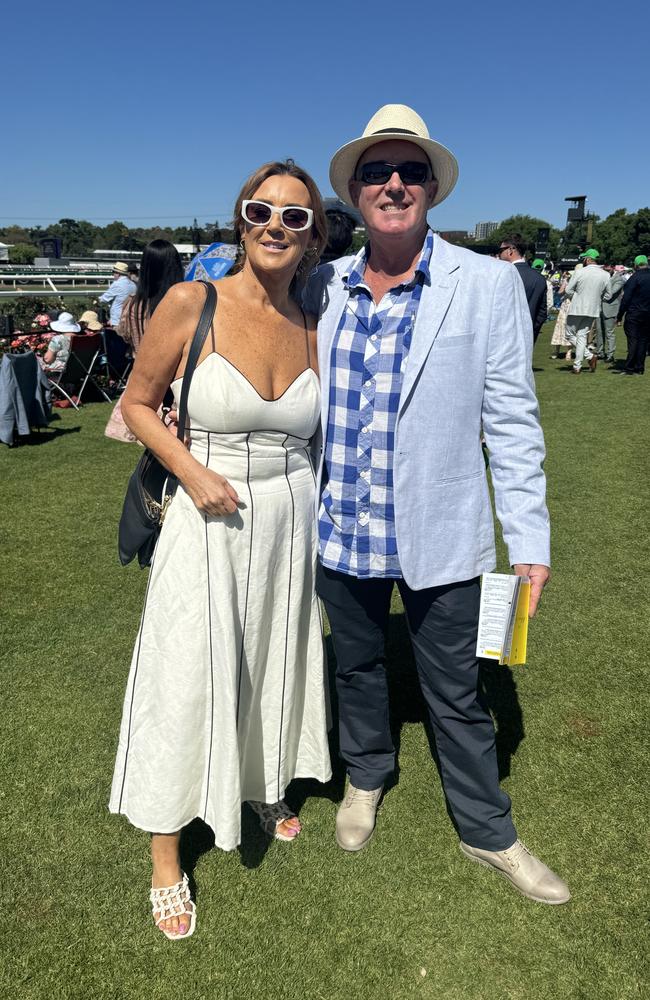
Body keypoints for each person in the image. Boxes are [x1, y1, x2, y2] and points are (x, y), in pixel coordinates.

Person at [304, 103, 570, 904]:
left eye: (410, 171)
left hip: (441, 530)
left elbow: (513, 424)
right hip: (340, 530)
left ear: (432, 189)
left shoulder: (486, 283)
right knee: (355, 668)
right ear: (353, 191)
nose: (393, 184)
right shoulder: (320, 285)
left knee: (455, 690)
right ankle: (367, 777)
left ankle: (490, 831)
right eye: (378, 172)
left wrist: (530, 538)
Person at [110, 160, 331, 939]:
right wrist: (192, 470)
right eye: (260, 210)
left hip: (289, 518)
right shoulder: (190, 301)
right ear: (240, 220)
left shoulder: (312, 318)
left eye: (294, 217)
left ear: (312, 237)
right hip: (206, 514)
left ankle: (260, 782)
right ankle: (166, 855)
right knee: (186, 673)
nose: (275, 225)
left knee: (273, 657)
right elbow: (137, 404)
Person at [105, 240, 184, 443]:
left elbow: (123, 334)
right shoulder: (182, 304)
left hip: (142, 379)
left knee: (151, 442)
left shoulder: (133, 304)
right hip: (176, 382)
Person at [564, 250, 609, 373]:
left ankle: (587, 358)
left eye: (584, 259)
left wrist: (577, 296)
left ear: (588, 259)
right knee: (581, 336)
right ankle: (578, 365)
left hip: (577, 308)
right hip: (593, 309)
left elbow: (568, 290)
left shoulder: (579, 272)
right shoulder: (605, 274)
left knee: (569, 334)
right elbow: (608, 295)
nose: (583, 261)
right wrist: (596, 298)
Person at [496, 235, 547, 341]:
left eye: (501, 250)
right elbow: (541, 313)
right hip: (527, 337)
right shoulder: (539, 279)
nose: (498, 253)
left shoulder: (502, 274)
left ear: (510, 250)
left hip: (502, 337)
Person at [617, 253, 650, 374]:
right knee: (643, 341)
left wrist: (620, 316)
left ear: (636, 265)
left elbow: (626, 299)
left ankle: (630, 367)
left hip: (634, 313)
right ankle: (639, 368)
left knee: (633, 340)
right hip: (648, 314)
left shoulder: (634, 278)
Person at [597, 265, 626, 363]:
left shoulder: (619, 279)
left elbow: (611, 293)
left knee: (609, 333)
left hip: (610, 308)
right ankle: (600, 352)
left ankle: (610, 354)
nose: (606, 270)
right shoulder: (602, 276)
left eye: (608, 268)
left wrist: (598, 294)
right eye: (604, 268)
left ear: (613, 268)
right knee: (599, 332)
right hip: (599, 308)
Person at [99, 261, 137, 328]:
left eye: (113, 272)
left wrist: (95, 300)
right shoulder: (133, 285)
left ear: (118, 273)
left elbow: (103, 299)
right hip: (130, 318)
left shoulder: (116, 284)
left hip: (117, 319)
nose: (113, 274)